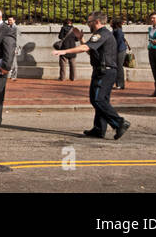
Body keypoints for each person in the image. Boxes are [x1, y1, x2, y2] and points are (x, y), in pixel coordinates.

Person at [54, 10, 129, 140]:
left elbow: (85, 49)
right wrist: (81, 39)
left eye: (90, 22)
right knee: (101, 100)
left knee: (98, 99)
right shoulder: (101, 34)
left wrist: (63, 51)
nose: (88, 24)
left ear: (97, 21)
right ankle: (99, 129)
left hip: (104, 71)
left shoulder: (102, 34)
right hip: (104, 70)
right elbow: (91, 50)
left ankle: (119, 122)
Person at [111, 19, 129, 90]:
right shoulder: (115, 30)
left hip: (120, 50)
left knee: (119, 67)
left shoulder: (118, 31)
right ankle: (116, 83)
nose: (110, 23)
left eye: (111, 22)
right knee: (116, 67)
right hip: (118, 50)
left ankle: (120, 84)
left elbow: (117, 42)